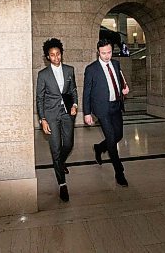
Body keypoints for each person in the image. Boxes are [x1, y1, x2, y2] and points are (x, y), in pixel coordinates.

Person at [36, 38, 78, 202]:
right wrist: (43, 119)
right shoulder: (43, 75)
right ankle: (62, 184)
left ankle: (60, 163)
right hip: (51, 115)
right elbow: (39, 99)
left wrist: (74, 104)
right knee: (55, 148)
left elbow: (73, 90)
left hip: (67, 113)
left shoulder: (69, 70)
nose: (56, 58)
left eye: (58, 54)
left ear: (61, 54)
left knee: (68, 144)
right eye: (52, 55)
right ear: (48, 57)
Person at [83, 38, 130, 187]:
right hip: (102, 109)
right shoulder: (91, 69)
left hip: (116, 105)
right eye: (103, 53)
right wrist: (87, 113)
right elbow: (87, 92)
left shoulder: (116, 64)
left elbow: (120, 82)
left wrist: (124, 91)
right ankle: (119, 172)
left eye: (109, 52)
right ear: (98, 52)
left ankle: (99, 148)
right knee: (111, 138)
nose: (107, 55)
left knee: (119, 135)